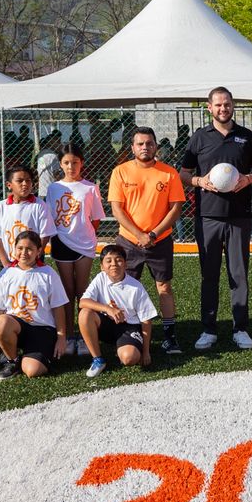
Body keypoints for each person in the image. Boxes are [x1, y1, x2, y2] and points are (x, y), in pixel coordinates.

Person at [179, 87, 252, 350]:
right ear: (209, 108)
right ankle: (209, 330)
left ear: (233, 106)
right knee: (209, 275)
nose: (223, 109)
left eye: (227, 104)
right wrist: (199, 181)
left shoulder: (246, 137)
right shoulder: (199, 137)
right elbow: (183, 173)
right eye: (217, 105)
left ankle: (240, 328)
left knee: (238, 274)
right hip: (207, 216)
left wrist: (248, 179)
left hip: (239, 216)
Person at [108, 127, 185, 354]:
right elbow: (117, 209)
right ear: (132, 147)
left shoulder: (169, 173)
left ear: (155, 146)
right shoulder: (120, 172)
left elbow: (176, 208)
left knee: (164, 287)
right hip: (128, 240)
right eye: (140, 144)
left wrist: (152, 234)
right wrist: (139, 234)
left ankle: (169, 336)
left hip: (159, 240)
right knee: (125, 287)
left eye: (149, 143)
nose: (145, 147)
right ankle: (127, 333)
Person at [43, 146, 106, 355]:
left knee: (82, 291)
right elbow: (50, 217)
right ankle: (69, 336)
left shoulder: (90, 188)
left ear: (82, 163)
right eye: (67, 163)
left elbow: (95, 218)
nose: (71, 167)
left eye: (75, 162)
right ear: (60, 164)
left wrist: (83, 234)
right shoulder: (54, 188)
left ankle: (83, 334)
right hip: (61, 243)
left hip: (85, 244)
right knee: (67, 292)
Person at [0, 229, 69, 380]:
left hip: (42, 329)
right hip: (17, 326)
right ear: (14, 249)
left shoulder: (48, 274)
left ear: (39, 251)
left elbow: (58, 308)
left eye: (29, 249)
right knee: (1, 322)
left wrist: (61, 337)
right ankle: (13, 360)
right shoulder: (6, 273)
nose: (24, 253)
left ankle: (31, 355)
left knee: (32, 371)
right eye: (20, 248)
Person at [78, 243, 157, 379]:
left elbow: (146, 321)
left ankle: (125, 347)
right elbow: (82, 302)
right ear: (102, 267)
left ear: (125, 264)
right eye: (108, 261)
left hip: (128, 327)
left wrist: (146, 352)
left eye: (119, 260)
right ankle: (98, 359)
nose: (114, 264)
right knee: (85, 313)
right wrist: (108, 309)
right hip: (107, 324)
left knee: (129, 358)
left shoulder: (136, 287)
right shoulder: (100, 278)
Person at [0, 164, 56, 274]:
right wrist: (5, 262)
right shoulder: (1, 206)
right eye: (20, 181)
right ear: (9, 185)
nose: (25, 184)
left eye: (28, 180)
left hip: (34, 264)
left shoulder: (40, 205)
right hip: (9, 262)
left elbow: (45, 235)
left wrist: (34, 259)